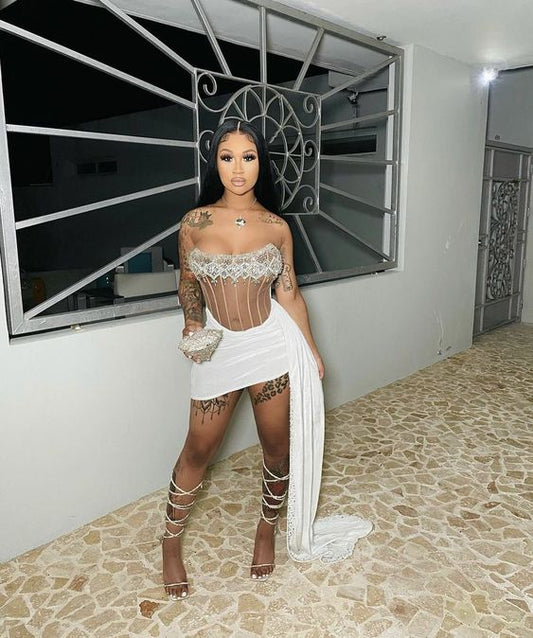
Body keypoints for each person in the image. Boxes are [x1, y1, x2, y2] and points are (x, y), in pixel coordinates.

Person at [162, 120, 371, 601]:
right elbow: (188, 284)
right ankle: (170, 541)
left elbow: (290, 294)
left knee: (276, 448)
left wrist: (312, 350)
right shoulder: (194, 223)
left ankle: (265, 528)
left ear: (262, 163)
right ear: (215, 163)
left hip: (271, 346)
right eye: (227, 157)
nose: (238, 169)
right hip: (218, 348)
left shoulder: (278, 227)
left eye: (248, 157)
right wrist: (192, 322)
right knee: (198, 450)